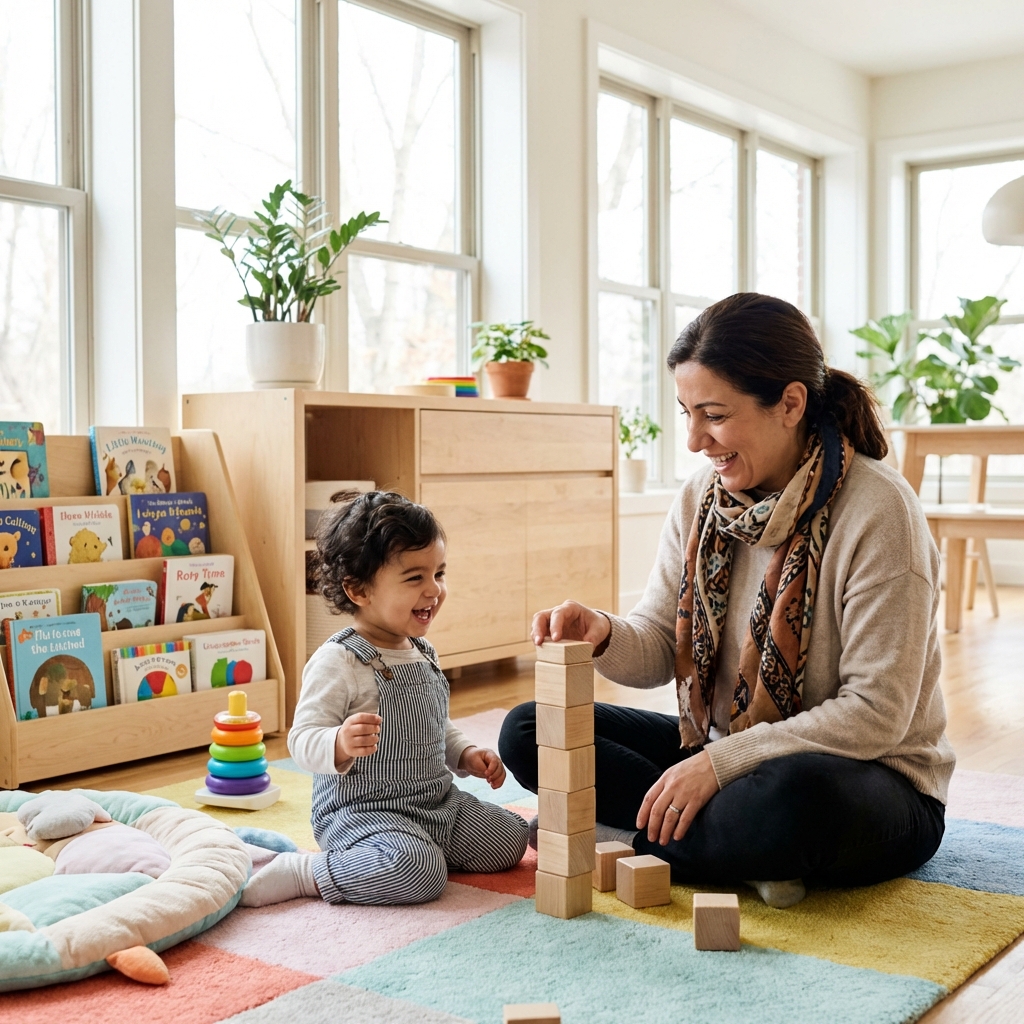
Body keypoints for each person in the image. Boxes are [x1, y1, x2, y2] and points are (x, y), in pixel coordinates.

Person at [500, 292, 954, 908]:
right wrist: (601, 633)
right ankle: (724, 850)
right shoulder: (700, 499)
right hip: (722, 749)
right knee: (531, 730)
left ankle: (630, 835)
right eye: (686, 413)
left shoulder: (880, 511)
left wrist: (721, 765)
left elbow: (876, 713)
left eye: (713, 415)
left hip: (871, 777)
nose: (693, 440)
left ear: (790, 403)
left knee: (787, 800)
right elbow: (659, 646)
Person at [241, 490, 528, 907]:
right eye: (415, 578)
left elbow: (432, 722)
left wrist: (464, 754)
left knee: (510, 839)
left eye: (439, 573)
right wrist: (337, 743)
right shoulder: (339, 660)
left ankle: (414, 851)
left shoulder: (422, 652)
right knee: (419, 873)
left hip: (436, 803)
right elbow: (300, 738)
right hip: (363, 814)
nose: (434, 590)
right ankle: (308, 873)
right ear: (359, 590)